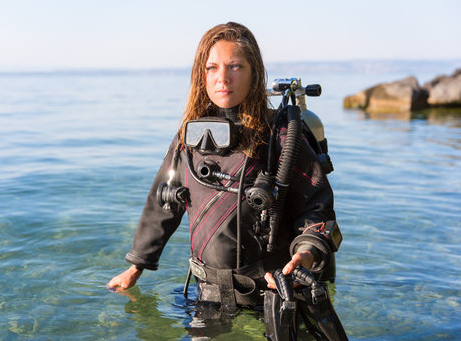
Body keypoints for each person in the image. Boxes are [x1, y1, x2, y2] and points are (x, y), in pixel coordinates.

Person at [107, 22, 341, 309]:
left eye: (235, 67)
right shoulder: (190, 137)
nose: (223, 78)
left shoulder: (281, 136)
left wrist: (306, 254)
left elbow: (316, 207)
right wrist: (136, 267)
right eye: (212, 68)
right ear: (200, 75)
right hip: (208, 292)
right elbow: (164, 202)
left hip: (273, 291)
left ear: (254, 73)